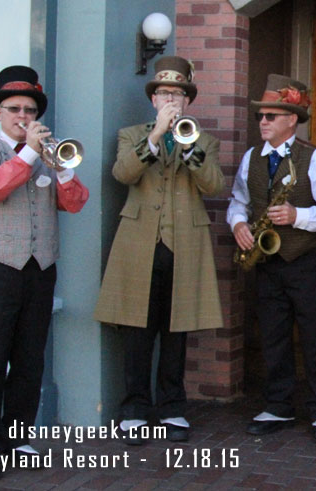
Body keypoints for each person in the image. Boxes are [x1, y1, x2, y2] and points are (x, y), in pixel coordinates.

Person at [0, 65, 89, 482]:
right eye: (14, 109)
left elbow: (74, 204)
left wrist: (63, 170)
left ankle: (17, 435)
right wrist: (30, 153)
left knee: (30, 359)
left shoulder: (48, 158)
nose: (23, 116)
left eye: (30, 110)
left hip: (40, 269)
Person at [94, 55, 224, 445]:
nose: (172, 99)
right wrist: (154, 139)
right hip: (139, 242)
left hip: (184, 242)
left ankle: (172, 407)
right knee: (136, 327)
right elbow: (123, 174)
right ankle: (134, 408)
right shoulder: (131, 134)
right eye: (165, 92)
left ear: (188, 100)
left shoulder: (204, 139)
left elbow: (214, 185)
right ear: (154, 100)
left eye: (179, 93)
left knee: (176, 328)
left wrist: (188, 149)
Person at [227, 74, 316, 443]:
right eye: (261, 116)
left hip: (306, 259)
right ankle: (278, 405)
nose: (262, 122)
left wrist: (299, 216)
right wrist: (239, 225)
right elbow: (238, 201)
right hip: (267, 261)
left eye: (270, 116)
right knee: (273, 334)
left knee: (313, 334)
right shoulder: (251, 157)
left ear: (292, 119)